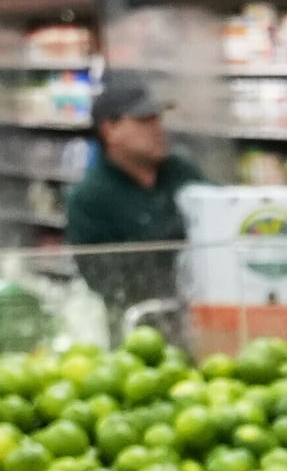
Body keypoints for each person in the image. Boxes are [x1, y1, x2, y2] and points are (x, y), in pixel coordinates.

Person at [62, 78, 195, 323]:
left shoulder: (180, 171)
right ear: (109, 130)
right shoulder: (89, 198)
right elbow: (109, 282)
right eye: (144, 120)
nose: (157, 128)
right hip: (137, 331)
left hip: (198, 317)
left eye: (157, 118)